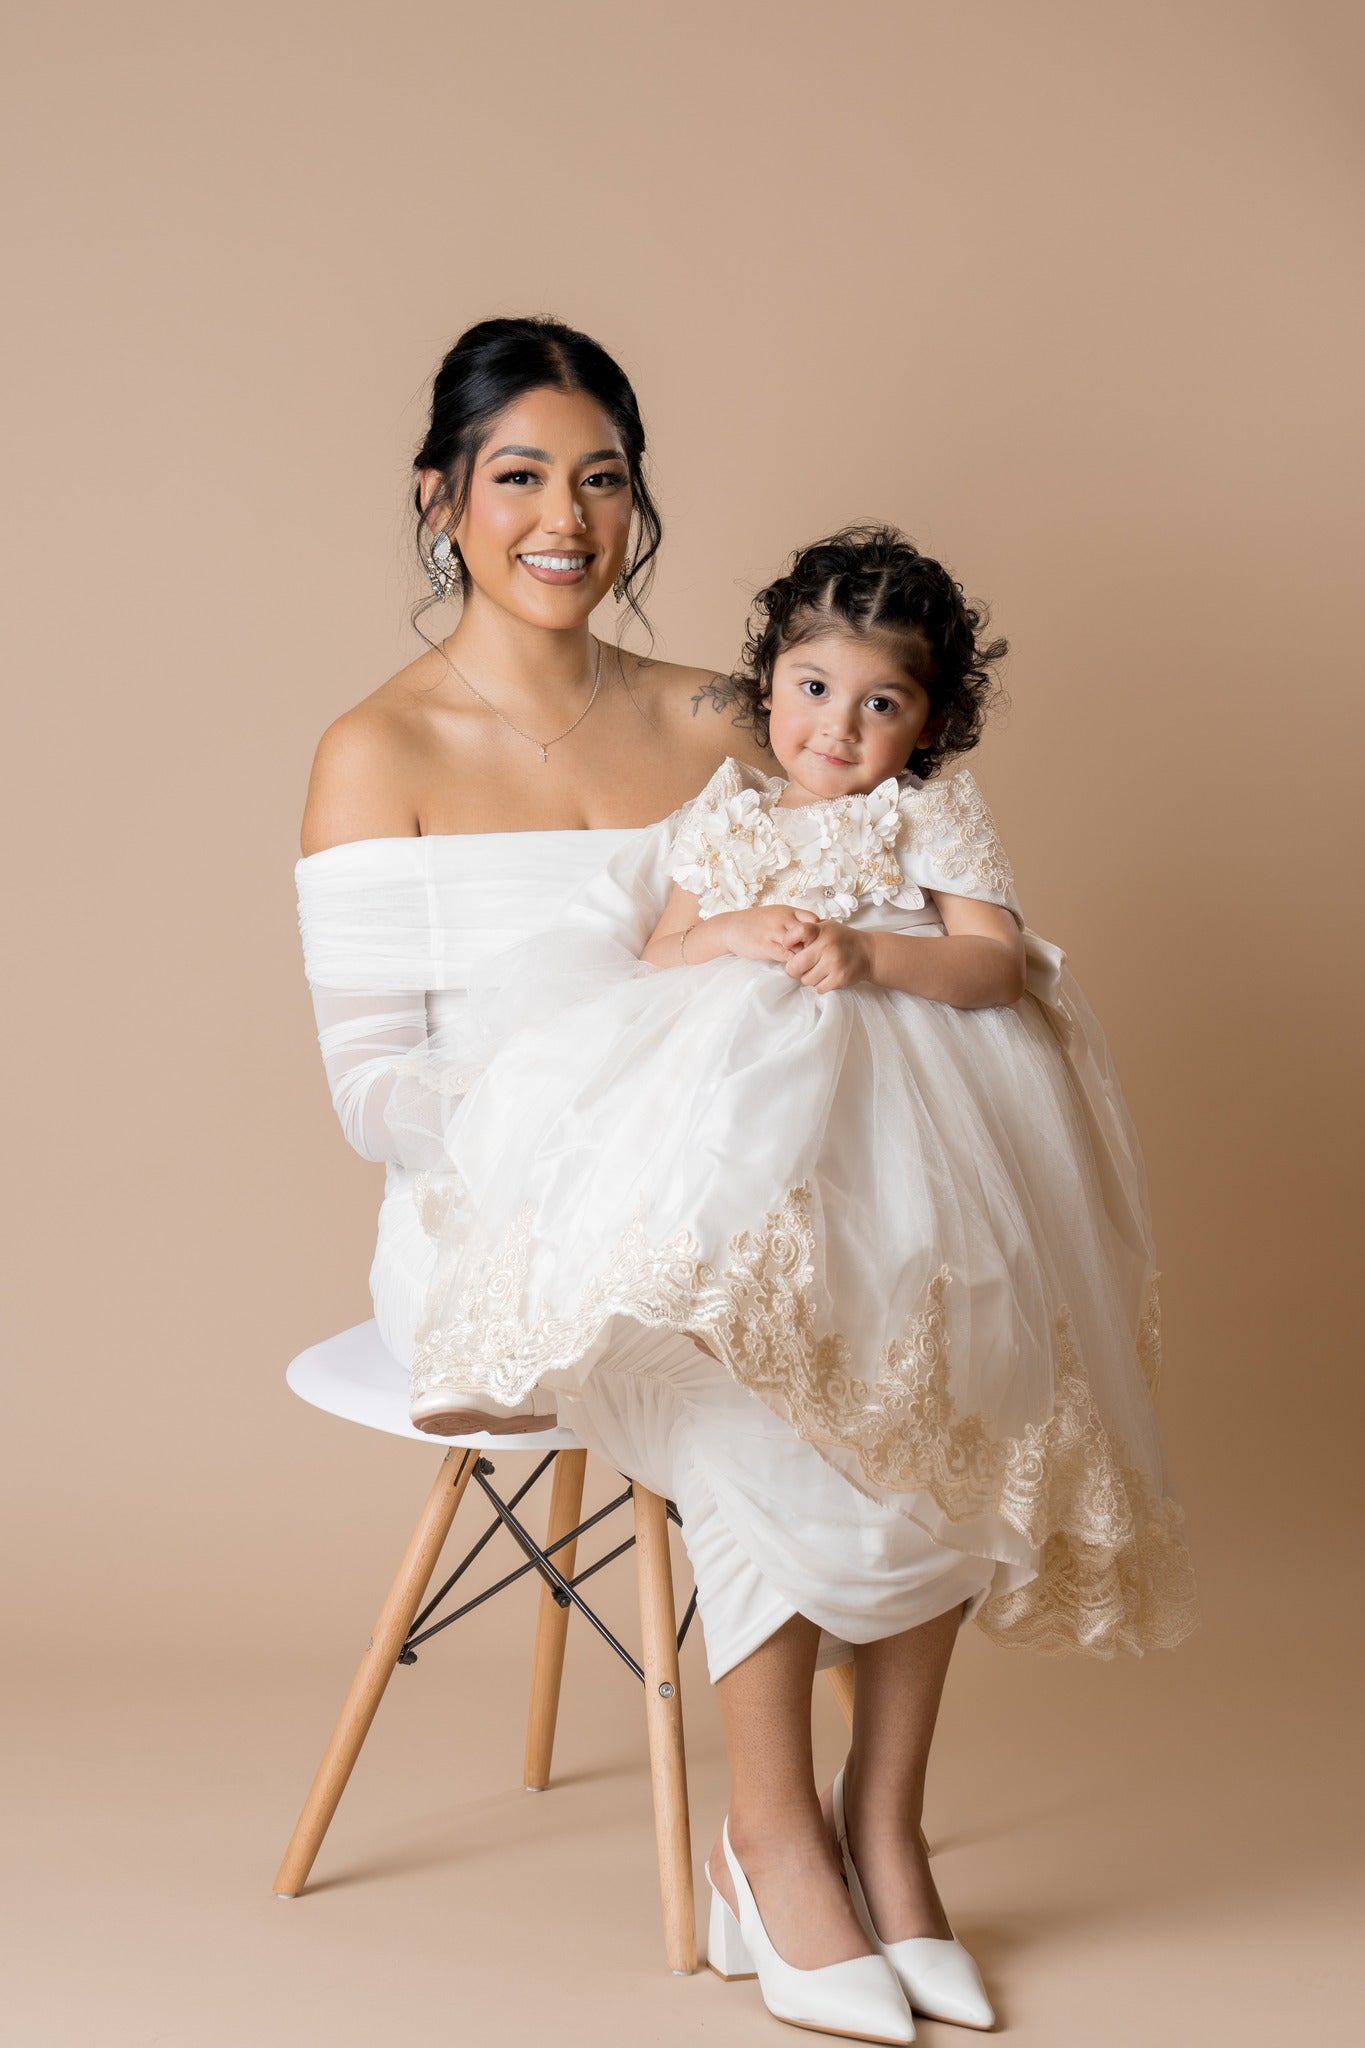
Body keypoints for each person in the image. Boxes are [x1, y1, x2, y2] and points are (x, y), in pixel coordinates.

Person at [297, 324, 1196, 2043]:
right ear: (440, 500)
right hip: (506, 1201)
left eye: (603, 476)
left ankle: (885, 1824)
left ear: (637, 504)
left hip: (788, 1157)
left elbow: (903, 892)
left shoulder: (735, 708)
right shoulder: (373, 751)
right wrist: (593, 1121)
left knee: (935, 1299)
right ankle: (772, 1839)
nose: (566, 516)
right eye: (516, 476)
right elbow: (372, 1093)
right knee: (746, 1321)